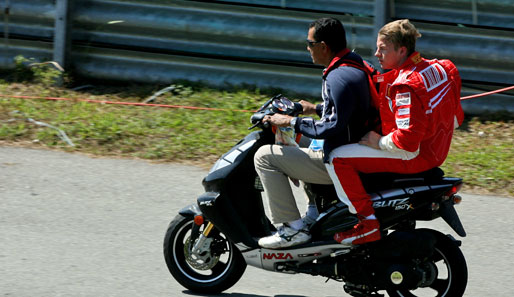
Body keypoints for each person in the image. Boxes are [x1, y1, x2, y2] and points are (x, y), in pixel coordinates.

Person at [326, 19, 464, 246]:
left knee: (336, 157)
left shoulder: (405, 85)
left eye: (382, 48)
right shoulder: (442, 67)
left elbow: (407, 142)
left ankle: (367, 223)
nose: (376, 53)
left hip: (415, 154)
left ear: (401, 50)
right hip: (438, 149)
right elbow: (456, 117)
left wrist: (379, 141)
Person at [255, 17, 373, 249]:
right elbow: (347, 110)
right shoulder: (355, 63)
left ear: (323, 46)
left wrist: (290, 121)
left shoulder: (337, 77)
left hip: (340, 158)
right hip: (354, 145)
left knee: (264, 157)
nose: (307, 48)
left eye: (309, 43)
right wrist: (315, 108)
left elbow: (331, 126)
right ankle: (315, 210)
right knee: (306, 139)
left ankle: (292, 229)